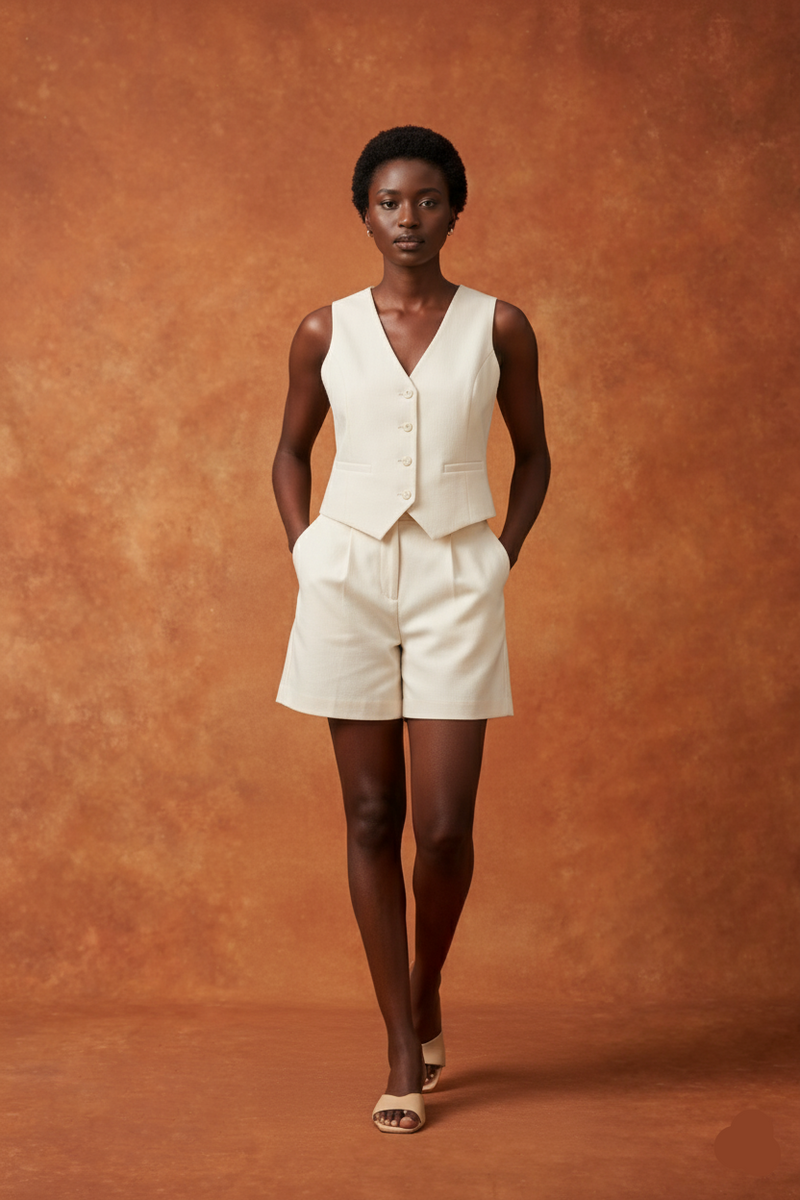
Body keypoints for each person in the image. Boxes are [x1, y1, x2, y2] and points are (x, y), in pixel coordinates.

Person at [272, 126, 550, 1133]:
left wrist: (498, 555)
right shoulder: (323, 330)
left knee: (441, 827)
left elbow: (535, 456)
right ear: (363, 211)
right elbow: (289, 453)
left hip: (452, 578)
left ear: (452, 209)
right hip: (345, 577)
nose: (406, 220)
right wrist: (308, 550)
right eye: (388, 202)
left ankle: (427, 981)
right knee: (368, 817)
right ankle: (399, 1041)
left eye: (426, 201)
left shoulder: (498, 325)